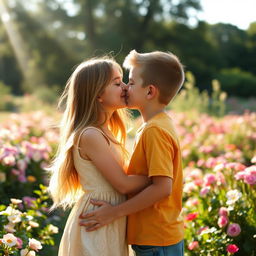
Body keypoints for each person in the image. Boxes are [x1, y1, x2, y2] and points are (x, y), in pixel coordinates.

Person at [80, 50, 185, 256]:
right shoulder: (156, 125)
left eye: (131, 82)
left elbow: (162, 187)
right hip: (157, 237)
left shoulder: (155, 130)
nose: (126, 88)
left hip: (156, 238)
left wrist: (114, 213)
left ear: (150, 92)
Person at [48, 57, 150, 256]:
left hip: (108, 216)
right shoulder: (90, 134)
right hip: (96, 221)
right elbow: (123, 184)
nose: (125, 86)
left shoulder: (106, 131)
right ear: (97, 95)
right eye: (116, 82)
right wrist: (161, 178)